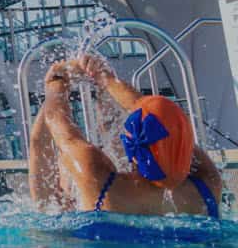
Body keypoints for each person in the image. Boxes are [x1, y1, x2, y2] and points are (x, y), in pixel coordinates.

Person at [29, 55, 221, 218]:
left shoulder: (101, 185)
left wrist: (57, 81)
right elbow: (171, 132)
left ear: (133, 145)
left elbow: (56, 121)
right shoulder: (208, 187)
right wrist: (107, 79)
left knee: (48, 154)